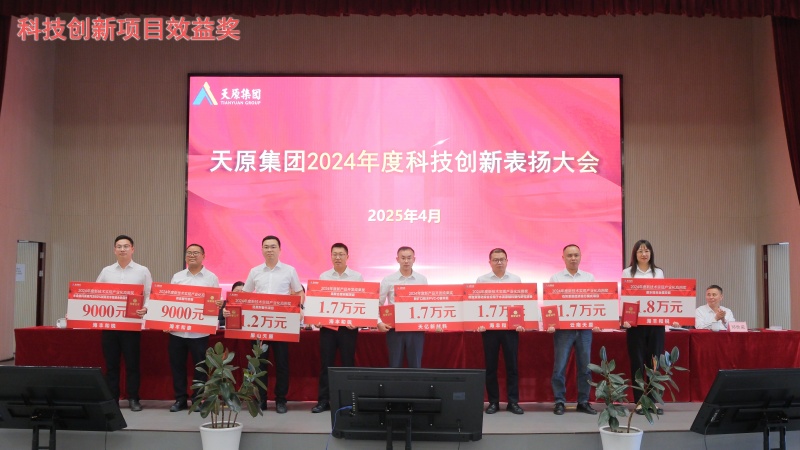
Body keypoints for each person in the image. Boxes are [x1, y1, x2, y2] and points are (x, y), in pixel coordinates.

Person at [242, 235, 303, 414]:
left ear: (279, 250)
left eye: (273, 246)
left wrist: (298, 308)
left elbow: (299, 292)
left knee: (282, 363)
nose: (269, 250)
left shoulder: (289, 270)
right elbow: (245, 294)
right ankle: (260, 399)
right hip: (260, 324)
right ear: (262, 250)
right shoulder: (255, 271)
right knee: (259, 363)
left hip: (281, 325)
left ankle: (281, 400)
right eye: (266, 247)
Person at [96, 235, 152, 412]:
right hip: (110, 326)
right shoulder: (106, 271)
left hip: (132, 325)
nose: (122, 249)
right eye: (119, 246)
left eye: (126, 246)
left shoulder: (142, 271)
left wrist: (146, 308)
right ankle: (113, 399)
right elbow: (95, 293)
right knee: (111, 365)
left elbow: (150, 294)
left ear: (132, 249)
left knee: (132, 364)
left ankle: (133, 398)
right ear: (114, 250)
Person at [312, 243, 364, 414]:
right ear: (331, 256)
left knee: (348, 364)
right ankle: (323, 401)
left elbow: (363, 302)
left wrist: (358, 321)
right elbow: (318, 301)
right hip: (328, 328)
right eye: (335, 254)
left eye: (341, 254)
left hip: (348, 328)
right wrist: (316, 320)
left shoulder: (356, 277)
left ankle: (349, 401)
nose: (338, 257)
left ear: (347, 257)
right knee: (326, 364)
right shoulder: (324, 276)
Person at [167, 243, 220, 412]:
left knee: (200, 368)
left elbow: (215, 304)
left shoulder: (211, 278)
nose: (192, 255)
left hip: (199, 333)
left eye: (196, 252)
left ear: (203, 256)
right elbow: (169, 301)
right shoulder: (177, 277)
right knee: (177, 367)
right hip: (177, 332)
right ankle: (180, 399)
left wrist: (217, 306)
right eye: (189, 252)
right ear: (185, 256)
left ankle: (198, 400)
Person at [548, 244, 598, 416]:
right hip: (563, 330)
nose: (573, 258)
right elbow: (551, 304)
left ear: (580, 257)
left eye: (576, 255)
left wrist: (597, 321)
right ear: (563, 258)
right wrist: (550, 322)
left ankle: (583, 401)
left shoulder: (589, 277)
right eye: (569, 255)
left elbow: (595, 303)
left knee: (585, 367)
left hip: (584, 329)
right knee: (560, 367)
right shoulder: (555, 278)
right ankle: (559, 401)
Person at [476, 248, 525, 415]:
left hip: (510, 329)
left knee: (512, 366)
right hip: (489, 330)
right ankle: (493, 402)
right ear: (489, 262)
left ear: (507, 261)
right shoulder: (481, 280)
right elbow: (477, 305)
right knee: (491, 367)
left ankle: (513, 402)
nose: (499, 262)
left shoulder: (516, 279)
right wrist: (479, 323)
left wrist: (520, 322)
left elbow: (520, 303)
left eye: (502, 259)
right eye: (495, 259)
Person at [621, 239, 666, 415]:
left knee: (655, 363)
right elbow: (626, 298)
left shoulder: (658, 272)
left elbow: (664, 297)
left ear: (651, 253)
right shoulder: (627, 272)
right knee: (638, 362)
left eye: (647, 251)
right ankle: (639, 401)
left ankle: (653, 401)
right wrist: (625, 319)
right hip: (635, 325)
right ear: (635, 254)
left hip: (655, 323)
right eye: (640, 251)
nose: (644, 254)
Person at [378, 246, 428, 368]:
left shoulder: (422, 279)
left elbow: (426, 303)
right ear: (397, 259)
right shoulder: (388, 280)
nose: (406, 261)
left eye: (409, 258)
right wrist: (378, 322)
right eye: (403, 258)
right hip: (394, 329)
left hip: (416, 329)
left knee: (416, 366)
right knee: (395, 365)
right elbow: (378, 303)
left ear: (414, 259)